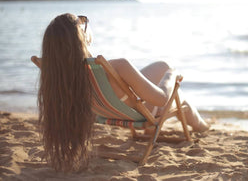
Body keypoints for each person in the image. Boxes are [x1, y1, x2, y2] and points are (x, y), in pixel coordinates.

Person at [37, 13, 209, 171]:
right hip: (142, 113)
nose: (86, 24)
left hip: (111, 111)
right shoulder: (117, 66)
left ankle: (198, 124)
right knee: (174, 86)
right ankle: (202, 126)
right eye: (82, 22)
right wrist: (172, 75)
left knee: (160, 68)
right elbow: (162, 99)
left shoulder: (61, 75)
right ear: (80, 36)